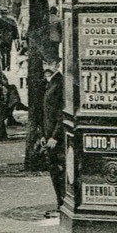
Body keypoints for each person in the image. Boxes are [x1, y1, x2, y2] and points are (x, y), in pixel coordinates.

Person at [29, 61, 67, 209]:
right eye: (44, 63)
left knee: (60, 169)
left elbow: (61, 113)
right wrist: (42, 134)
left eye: (51, 64)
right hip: (48, 134)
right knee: (54, 169)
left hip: (57, 136)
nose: (46, 68)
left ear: (58, 65)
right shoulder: (45, 84)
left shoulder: (60, 83)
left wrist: (55, 136)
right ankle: (60, 201)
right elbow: (41, 113)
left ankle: (63, 202)